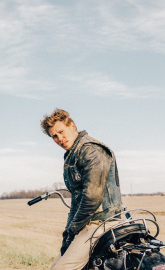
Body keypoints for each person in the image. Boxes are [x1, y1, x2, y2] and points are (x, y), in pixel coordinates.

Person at [41, 109, 123, 270]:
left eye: (61, 132)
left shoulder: (90, 150)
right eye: (54, 136)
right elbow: (76, 199)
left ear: (72, 126)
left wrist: (73, 229)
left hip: (102, 222)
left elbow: (92, 198)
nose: (59, 139)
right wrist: (68, 232)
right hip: (89, 223)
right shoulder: (73, 154)